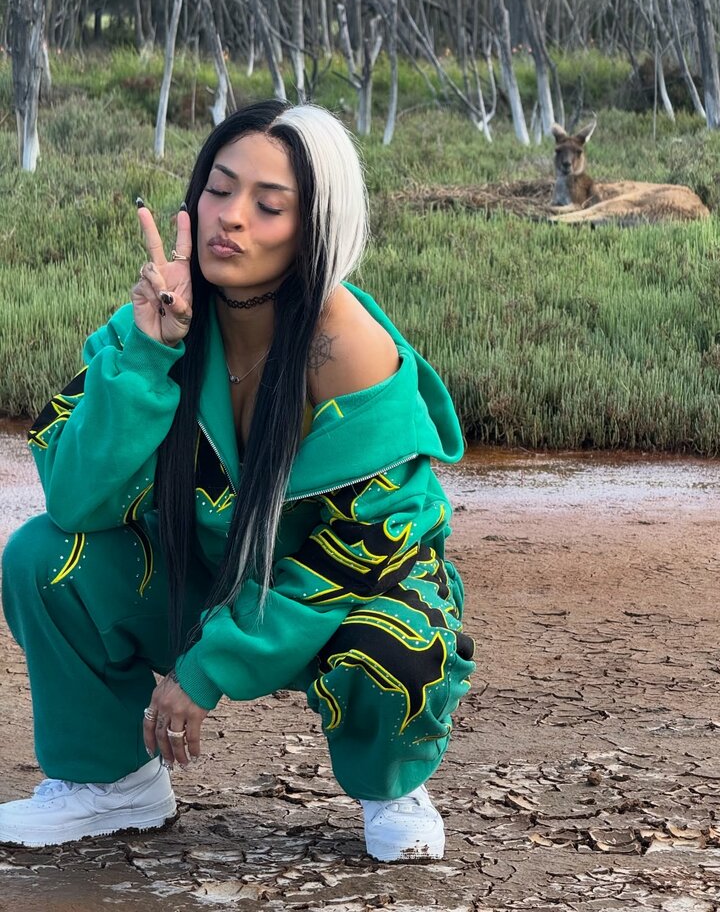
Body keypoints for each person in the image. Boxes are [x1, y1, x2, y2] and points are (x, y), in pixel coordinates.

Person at [0, 101, 475, 861]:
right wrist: (150, 354)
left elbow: (367, 548)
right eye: (219, 189)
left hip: (337, 594)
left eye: (269, 205)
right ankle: (113, 782)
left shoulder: (347, 347)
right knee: (41, 556)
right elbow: (77, 498)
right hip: (204, 573)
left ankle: (391, 784)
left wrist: (206, 668)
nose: (232, 218)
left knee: (398, 637)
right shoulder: (159, 310)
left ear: (315, 225)